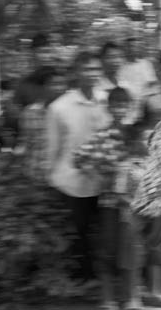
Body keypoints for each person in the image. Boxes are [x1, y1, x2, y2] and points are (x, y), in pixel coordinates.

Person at [73, 87, 146, 310]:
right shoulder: (102, 135)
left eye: (123, 105)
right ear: (109, 108)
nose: (119, 109)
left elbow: (147, 165)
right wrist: (98, 175)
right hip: (109, 203)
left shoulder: (136, 135)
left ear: (130, 107)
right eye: (115, 105)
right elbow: (79, 158)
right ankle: (107, 298)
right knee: (108, 249)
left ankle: (131, 298)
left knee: (131, 249)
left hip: (132, 205)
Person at [46, 51, 110, 287]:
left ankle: (104, 280)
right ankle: (83, 279)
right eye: (87, 69)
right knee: (79, 233)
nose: (92, 74)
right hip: (72, 181)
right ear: (76, 73)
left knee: (105, 232)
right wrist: (51, 177)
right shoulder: (59, 107)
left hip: (105, 179)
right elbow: (53, 147)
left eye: (96, 69)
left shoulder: (108, 100)